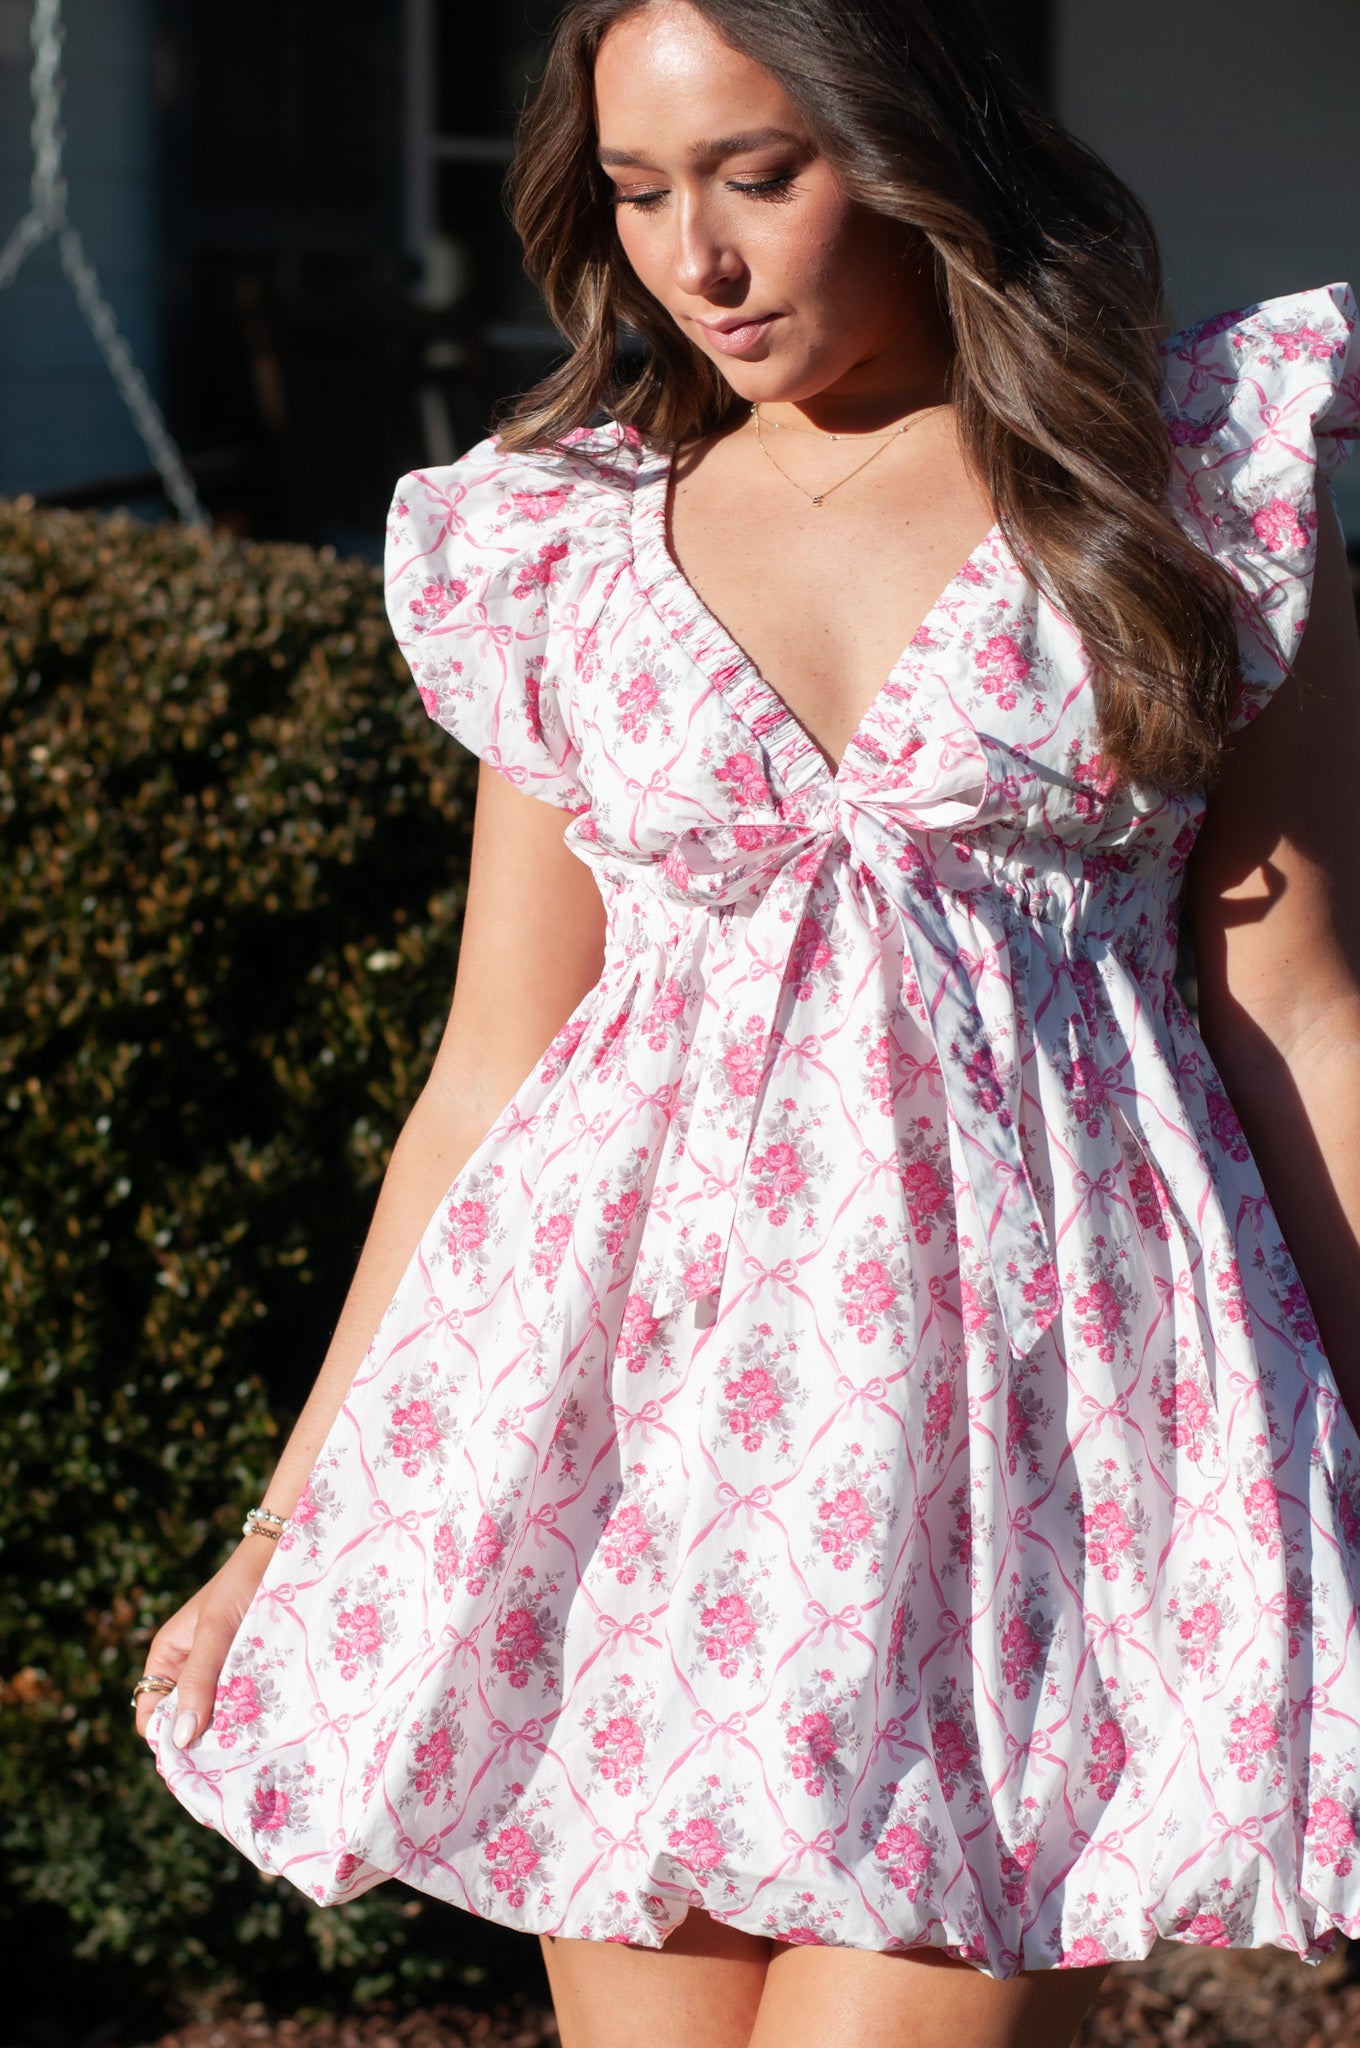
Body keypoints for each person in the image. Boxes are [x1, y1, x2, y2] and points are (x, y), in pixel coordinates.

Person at [136, 2, 1360, 2043]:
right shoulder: (559, 550)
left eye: (755, 177)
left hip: (1023, 1469)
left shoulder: (1178, 495)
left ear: (910, 148)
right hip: (636, 1452)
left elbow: (1300, 1018)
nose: (690, 259)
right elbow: (492, 1063)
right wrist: (291, 1513)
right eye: (633, 193)